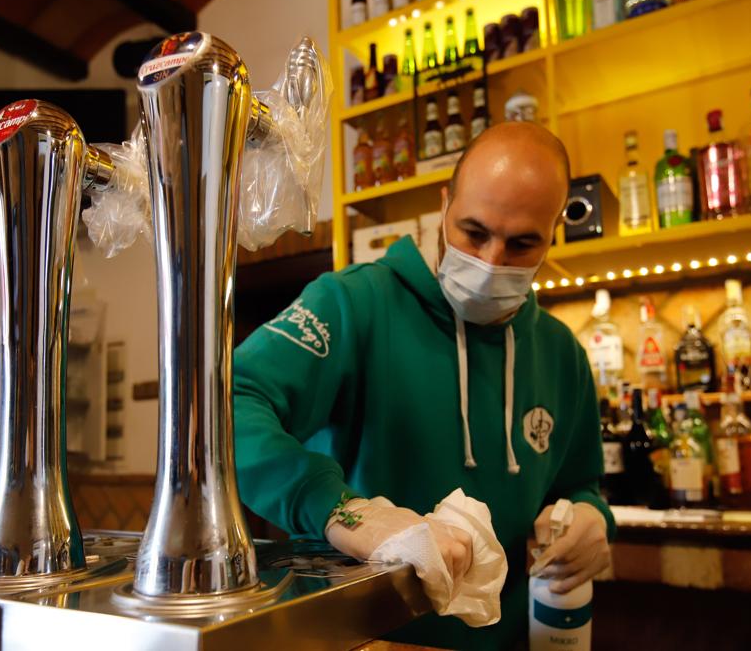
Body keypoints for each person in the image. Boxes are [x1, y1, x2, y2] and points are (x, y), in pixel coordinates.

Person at [233, 122, 614, 649]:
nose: (490, 263)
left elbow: (578, 484)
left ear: (554, 235)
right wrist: (342, 510)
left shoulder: (563, 354)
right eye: (473, 232)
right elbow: (224, 407)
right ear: (445, 204)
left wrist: (594, 517)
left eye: (523, 244)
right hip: (363, 640)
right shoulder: (353, 305)